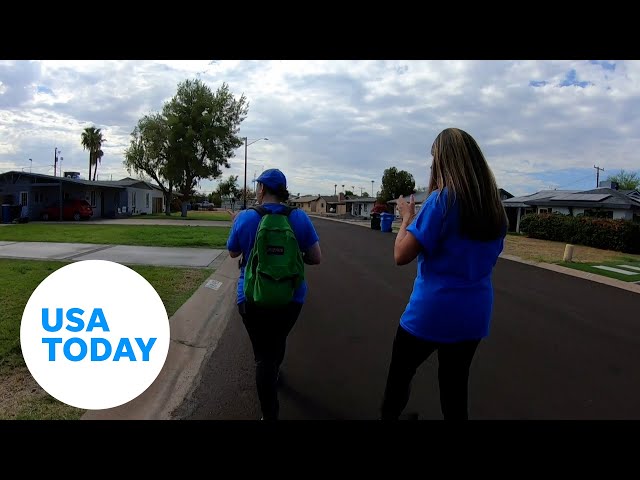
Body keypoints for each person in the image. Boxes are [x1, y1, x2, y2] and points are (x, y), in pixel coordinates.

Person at [380, 128, 508, 421]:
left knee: (399, 377)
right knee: (454, 390)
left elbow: (401, 255)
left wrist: (407, 219)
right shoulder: (494, 209)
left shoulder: (441, 201)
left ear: (443, 161)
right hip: (474, 314)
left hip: (431, 312)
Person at [226, 168, 322, 420]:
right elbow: (316, 257)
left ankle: (270, 413)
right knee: (277, 341)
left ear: (262, 189)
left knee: (263, 355)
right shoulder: (299, 218)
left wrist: (235, 222)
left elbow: (233, 253)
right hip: (291, 298)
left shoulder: (246, 218)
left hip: (251, 296)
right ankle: (273, 369)